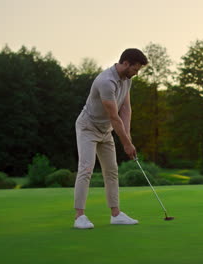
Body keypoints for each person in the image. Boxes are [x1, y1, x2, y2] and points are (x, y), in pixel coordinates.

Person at [73, 48, 148, 229]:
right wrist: (126, 144)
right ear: (125, 63)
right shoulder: (106, 81)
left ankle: (116, 215)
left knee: (112, 171)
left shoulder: (127, 80)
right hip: (88, 127)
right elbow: (114, 116)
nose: (136, 73)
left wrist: (128, 138)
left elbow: (126, 109)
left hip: (105, 130)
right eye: (135, 69)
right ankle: (79, 217)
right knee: (86, 168)